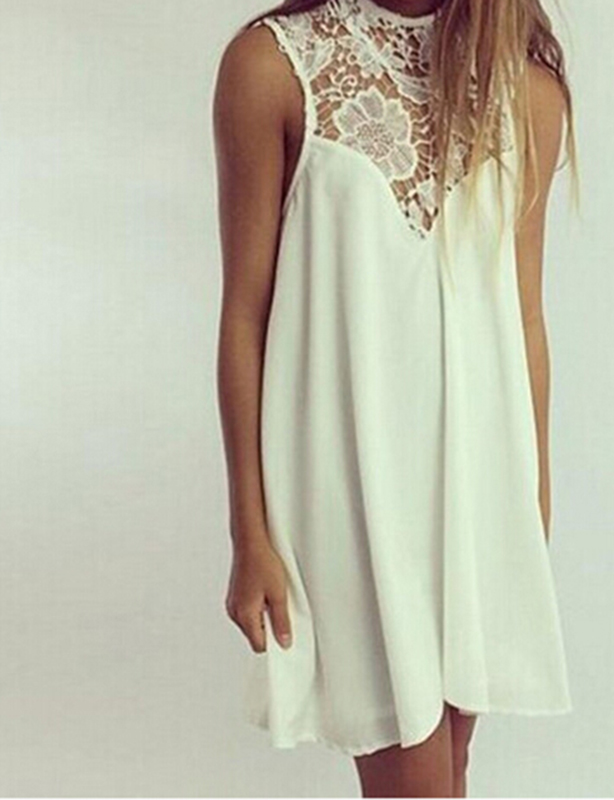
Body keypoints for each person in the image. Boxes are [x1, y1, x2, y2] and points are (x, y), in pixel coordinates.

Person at [213, 0, 577, 795]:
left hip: (475, 490)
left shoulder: (525, 91)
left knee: (449, 772)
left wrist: (531, 502)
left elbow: (525, 316)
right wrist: (250, 532)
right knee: (415, 780)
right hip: (350, 488)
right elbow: (245, 315)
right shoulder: (274, 67)